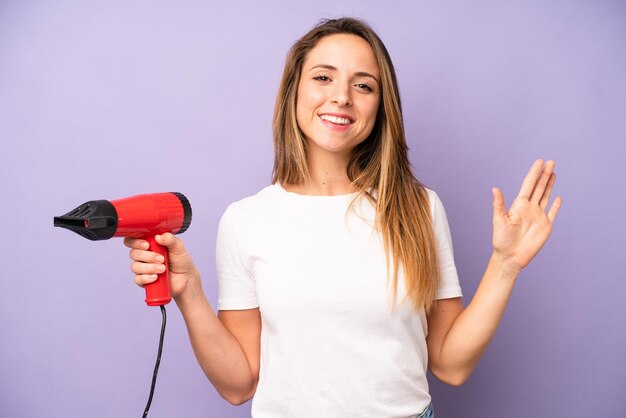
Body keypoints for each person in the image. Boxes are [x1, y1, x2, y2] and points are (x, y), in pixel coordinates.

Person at [124, 17, 561, 418]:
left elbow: (450, 364)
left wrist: (505, 265)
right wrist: (188, 291)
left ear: (380, 105)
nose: (341, 96)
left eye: (364, 85)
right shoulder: (246, 220)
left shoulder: (418, 208)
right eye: (323, 77)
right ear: (295, 89)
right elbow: (239, 385)